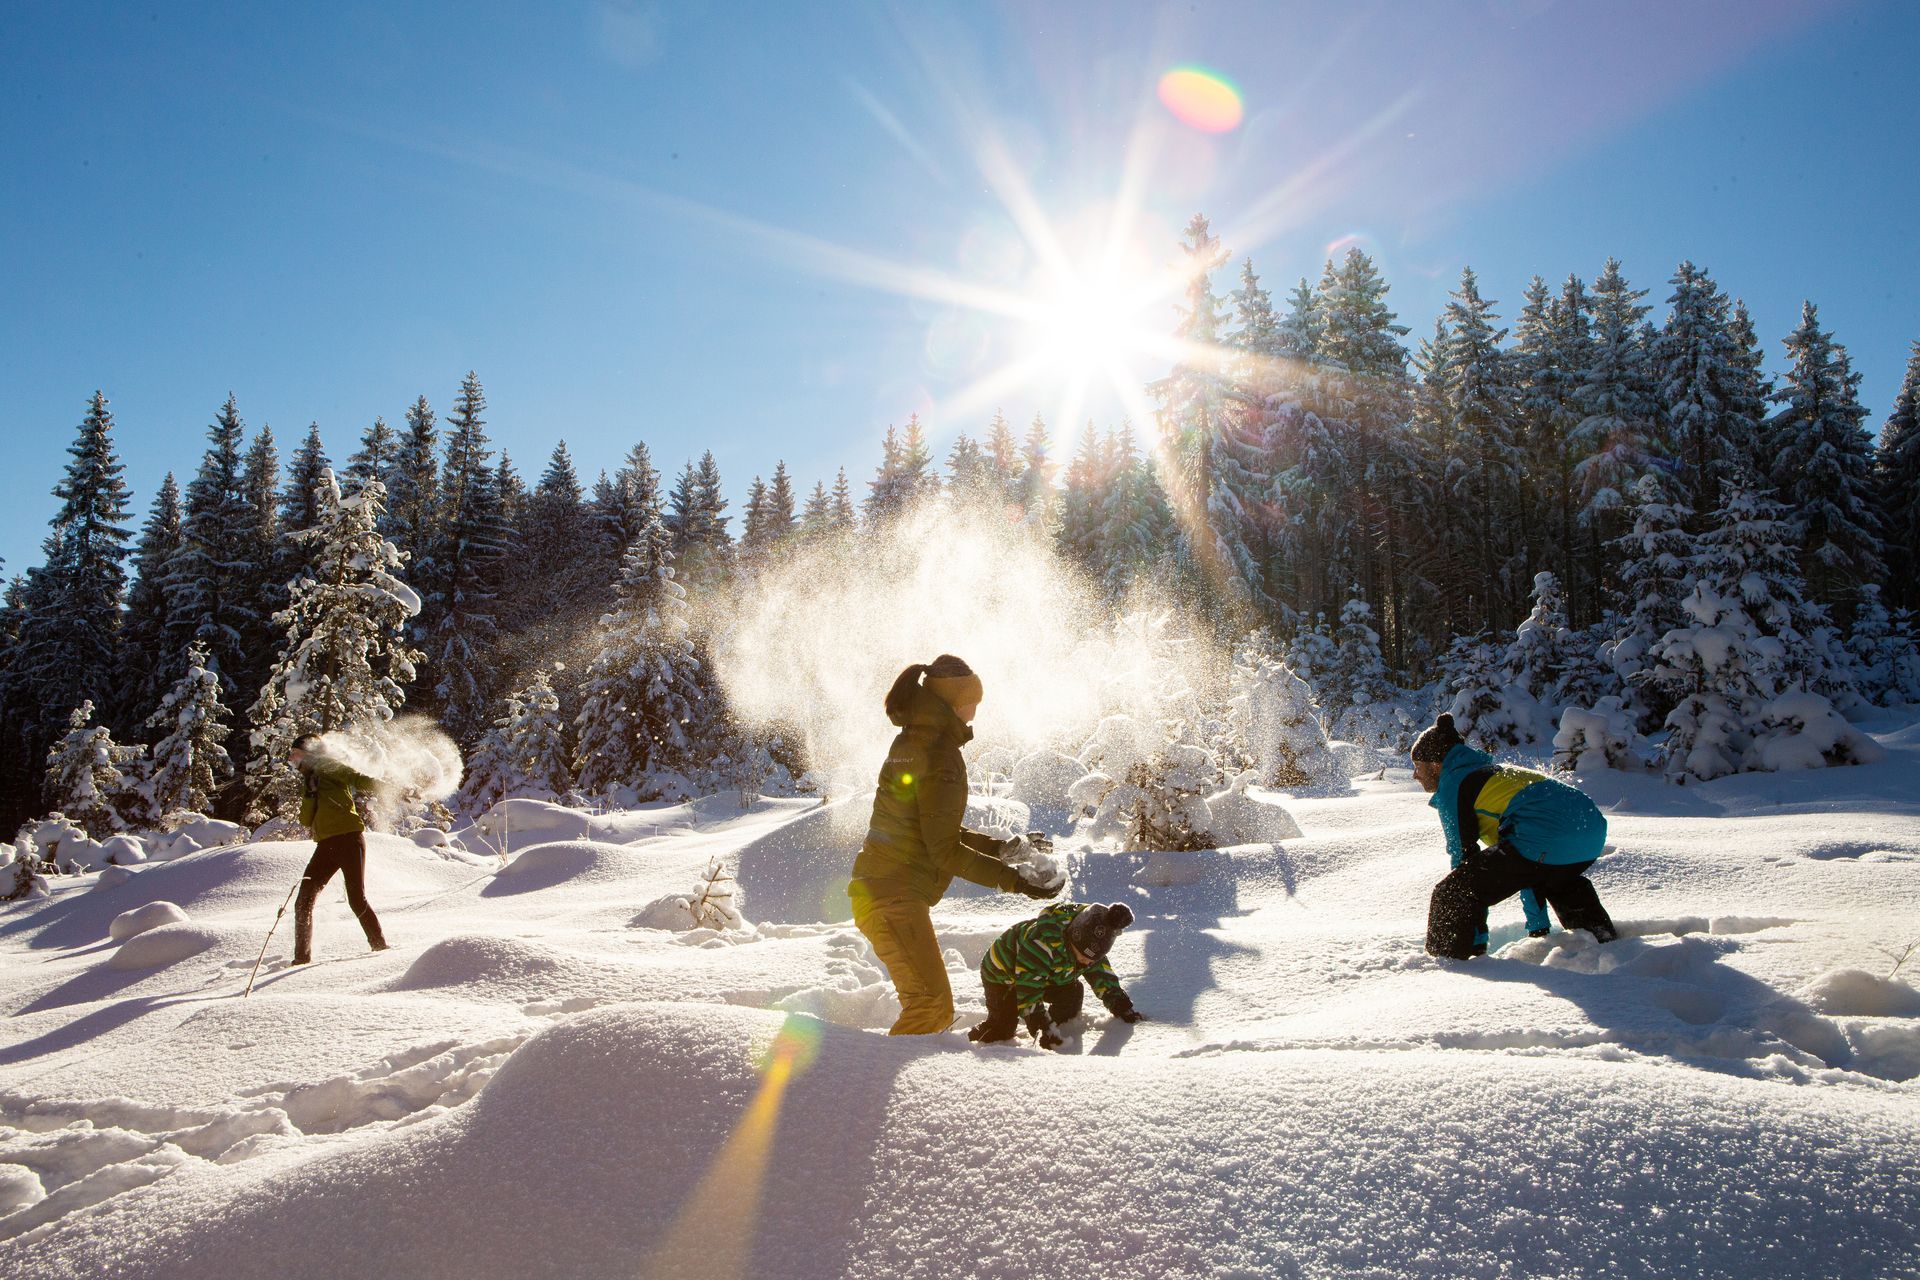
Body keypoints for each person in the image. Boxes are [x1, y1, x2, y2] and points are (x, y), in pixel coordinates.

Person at [849, 655, 1061, 1034]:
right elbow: (943, 850)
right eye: (972, 700)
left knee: (930, 1007)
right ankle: (855, 1085)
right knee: (930, 1008)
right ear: (952, 700)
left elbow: (936, 831)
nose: (975, 711)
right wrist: (1014, 881)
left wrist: (1001, 849)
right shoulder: (938, 753)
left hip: (884, 892)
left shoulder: (915, 741)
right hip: (892, 898)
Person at [1411, 713, 1618, 959]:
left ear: (1436, 764)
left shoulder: (1455, 784)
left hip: (1546, 837)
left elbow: (1463, 858)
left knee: (1452, 893)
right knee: (1557, 880)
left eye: (1418, 767)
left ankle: (1449, 966)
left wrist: (1475, 944)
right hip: (1590, 833)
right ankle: (1603, 941)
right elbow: (1526, 869)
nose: (1415, 775)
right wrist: (1538, 930)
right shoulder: (1494, 773)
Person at [968, 901, 1144, 1049]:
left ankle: (1059, 1027)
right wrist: (1040, 1024)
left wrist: (1119, 1003)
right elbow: (1029, 986)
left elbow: (1101, 975)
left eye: (1092, 960)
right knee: (1002, 1029)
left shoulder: (1089, 949)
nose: (1087, 963)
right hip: (1003, 977)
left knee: (1073, 993)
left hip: (1048, 975)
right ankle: (966, 1041)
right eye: (1084, 956)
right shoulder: (1042, 943)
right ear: (1072, 940)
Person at [289, 734, 389, 965]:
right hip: (326, 845)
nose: (291, 759)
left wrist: (394, 789)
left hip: (350, 840)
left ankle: (381, 948)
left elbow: (358, 779)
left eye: (295, 753)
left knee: (356, 899)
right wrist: (311, 795)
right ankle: (301, 959)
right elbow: (306, 819)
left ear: (308, 753)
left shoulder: (327, 767)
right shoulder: (309, 780)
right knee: (303, 901)